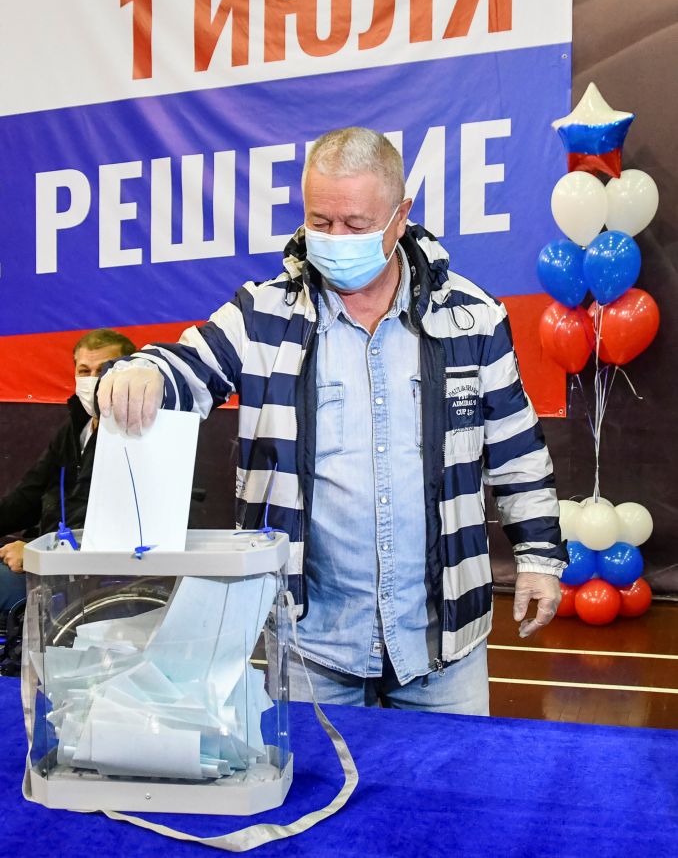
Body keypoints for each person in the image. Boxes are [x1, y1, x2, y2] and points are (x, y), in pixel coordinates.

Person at [99, 128, 566, 715]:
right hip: (309, 644)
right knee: (310, 804)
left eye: (355, 224)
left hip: (444, 646)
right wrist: (144, 371)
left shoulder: (472, 318)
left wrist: (540, 559)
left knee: (448, 808)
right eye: (320, 222)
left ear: (401, 216)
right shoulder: (263, 313)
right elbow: (187, 364)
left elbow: (516, 451)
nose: (335, 239)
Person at [0, 329, 136, 620]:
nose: (93, 378)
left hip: (85, 575)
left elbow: (110, 519)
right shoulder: (77, 427)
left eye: (105, 369)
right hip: (44, 558)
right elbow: (28, 495)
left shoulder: (136, 436)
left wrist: (39, 553)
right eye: (84, 370)